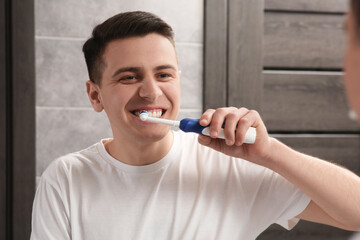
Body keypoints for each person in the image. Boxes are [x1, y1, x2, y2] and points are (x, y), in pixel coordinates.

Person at [31, 8, 360, 240]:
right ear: (95, 95)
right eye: (129, 77)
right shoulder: (65, 179)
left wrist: (271, 154)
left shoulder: (231, 166)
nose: (151, 91)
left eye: (164, 74)